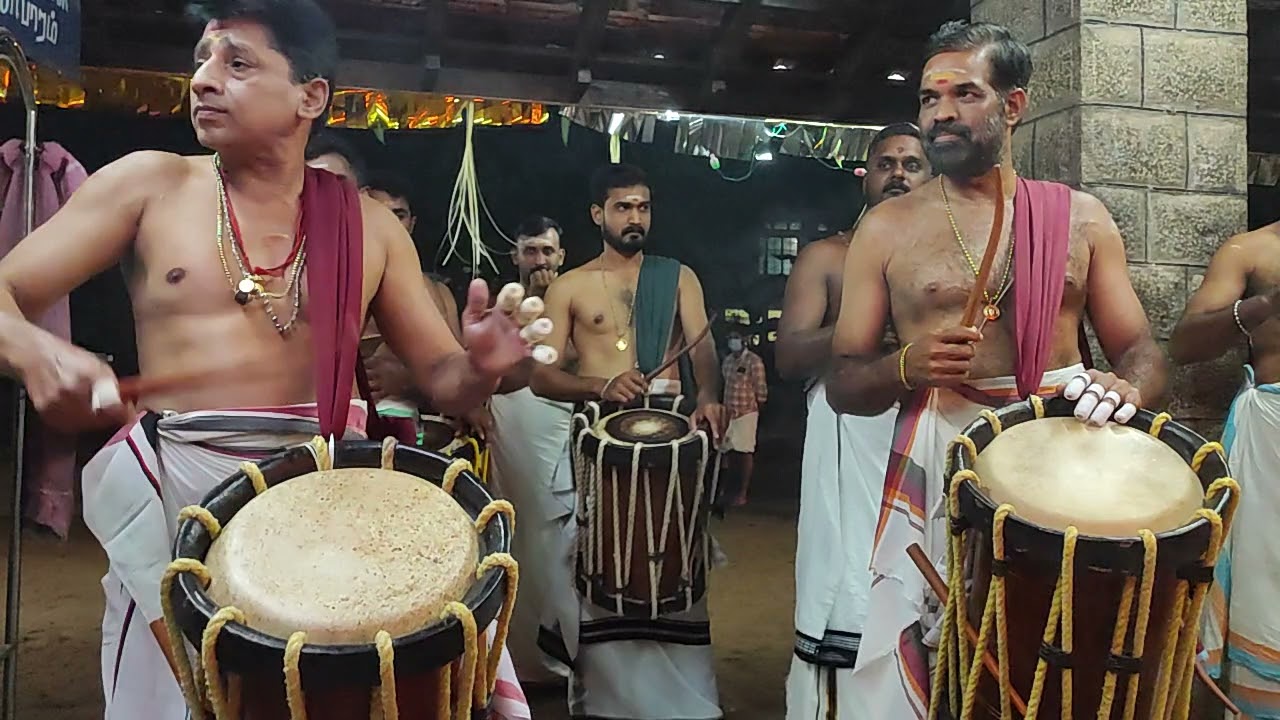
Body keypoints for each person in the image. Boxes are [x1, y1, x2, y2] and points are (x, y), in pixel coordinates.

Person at [0, 1, 542, 717]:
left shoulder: (370, 227)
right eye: (201, 58)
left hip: (328, 507)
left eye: (238, 62)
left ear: (309, 96)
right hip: (178, 504)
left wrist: (484, 365)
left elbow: (445, 378)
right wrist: (38, 351)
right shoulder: (149, 186)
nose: (204, 79)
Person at [824, 20, 1166, 715]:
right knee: (948, 648)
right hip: (946, 454)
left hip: (1067, 457)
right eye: (928, 98)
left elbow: (1143, 351)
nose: (940, 112)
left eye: (964, 94)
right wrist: (905, 366)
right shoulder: (887, 229)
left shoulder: (1082, 219)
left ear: (1012, 106)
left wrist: (1127, 386)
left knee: (1066, 646)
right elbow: (843, 382)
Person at [529, 163, 728, 720]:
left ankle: (685, 703)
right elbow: (540, 376)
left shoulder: (678, 276)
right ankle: (606, 703)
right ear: (598, 215)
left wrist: (709, 395)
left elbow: (702, 354)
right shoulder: (569, 286)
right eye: (623, 207)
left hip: (669, 436)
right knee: (600, 562)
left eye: (642, 206)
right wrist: (601, 384)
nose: (635, 217)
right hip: (599, 438)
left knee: (672, 559)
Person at [777, 121, 931, 718]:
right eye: (887, 163)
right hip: (846, 426)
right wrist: (865, 332)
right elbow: (789, 355)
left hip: (923, 421)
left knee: (919, 566)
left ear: (931, 175)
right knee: (845, 565)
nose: (899, 173)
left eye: (912, 164)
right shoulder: (829, 255)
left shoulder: (950, 258)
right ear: (865, 176)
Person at [1169, 222, 1280, 718]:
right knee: (1265, 602)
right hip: (1269, 447)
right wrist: (1266, 307)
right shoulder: (1252, 252)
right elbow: (1184, 345)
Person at [486, 214, 574, 687]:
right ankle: (518, 664)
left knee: (559, 539)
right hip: (508, 427)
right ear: (515, 256)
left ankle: (563, 660)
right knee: (514, 537)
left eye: (547, 251)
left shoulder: (575, 301)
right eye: (530, 251)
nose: (539, 260)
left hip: (559, 429)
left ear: (562, 255)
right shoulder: (500, 308)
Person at [719, 328, 767, 507]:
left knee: (745, 453)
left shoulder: (754, 362)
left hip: (747, 412)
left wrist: (755, 411)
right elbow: (724, 383)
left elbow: (760, 390)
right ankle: (725, 490)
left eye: (736, 337)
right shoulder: (728, 361)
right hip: (728, 412)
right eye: (731, 337)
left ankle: (742, 493)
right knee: (727, 453)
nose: (733, 341)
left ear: (744, 339)